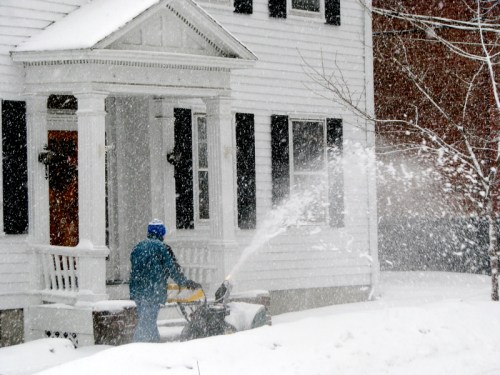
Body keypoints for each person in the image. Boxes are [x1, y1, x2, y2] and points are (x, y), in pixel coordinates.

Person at [130, 219, 200, 343]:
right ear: (161, 233)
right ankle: (141, 348)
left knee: (146, 320)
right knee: (147, 323)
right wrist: (184, 282)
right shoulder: (161, 248)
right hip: (152, 291)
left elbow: (135, 269)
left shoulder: (138, 247)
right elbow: (171, 268)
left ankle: (150, 346)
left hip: (138, 292)